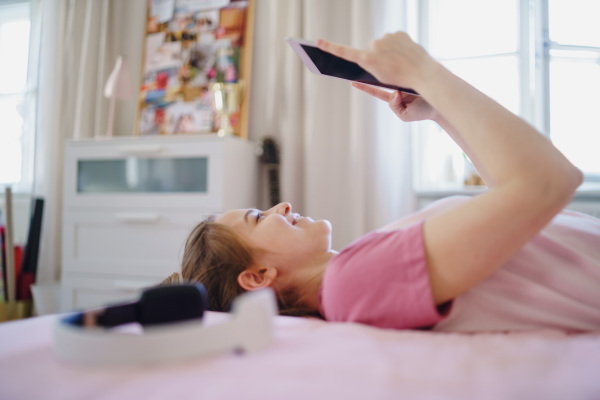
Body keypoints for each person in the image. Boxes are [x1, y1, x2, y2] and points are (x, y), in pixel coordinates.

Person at [162, 32, 600, 332]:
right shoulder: (353, 285)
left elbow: (516, 207)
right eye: (258, 217)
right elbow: (548, 181)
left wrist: (436, 109)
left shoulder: (356, 270)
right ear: (258, 276)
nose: (283, 207)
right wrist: (424, 70)